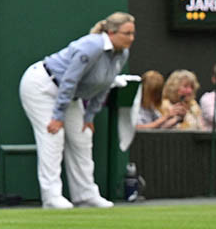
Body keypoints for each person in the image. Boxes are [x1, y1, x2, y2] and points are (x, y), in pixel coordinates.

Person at [18, 12, 135, 209]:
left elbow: (105, 84)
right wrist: (58, 116)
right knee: (53, 137)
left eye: (133, 34)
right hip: (41, 86)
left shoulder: (122, 53)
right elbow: (69, 80)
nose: (131, 38)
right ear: (112, 32)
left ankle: (86, 195)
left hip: (69, 95)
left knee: (83, 137)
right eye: (127, 33)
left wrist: (89, 116)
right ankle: (52, 197)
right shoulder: (92, 46)